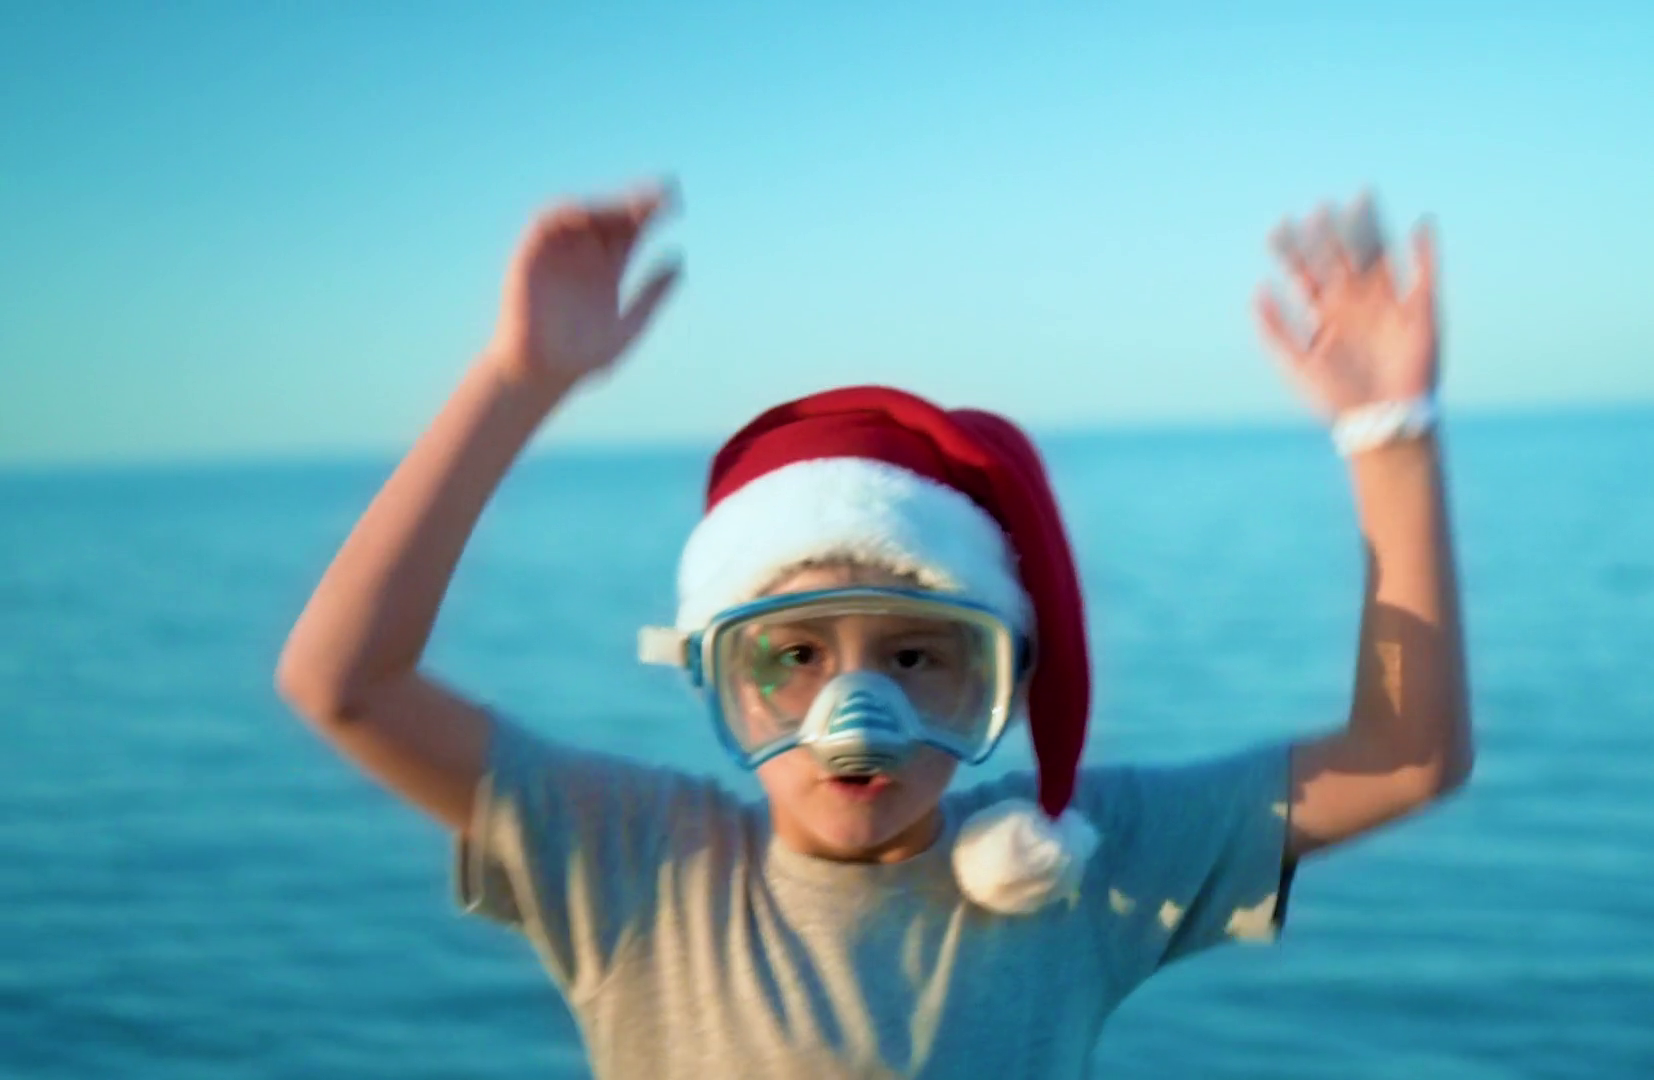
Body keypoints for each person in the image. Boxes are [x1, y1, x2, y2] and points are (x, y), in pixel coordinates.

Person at [275, 180, 1472, 1078]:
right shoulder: (639, 866)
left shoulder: (1073, 870)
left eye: (915, 657)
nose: (859, 714)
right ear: (715, 674)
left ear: (1001, 680)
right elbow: (344, 683)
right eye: (794, 656)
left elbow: (1405, 757)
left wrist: (1390, 438)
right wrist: (518, 379)